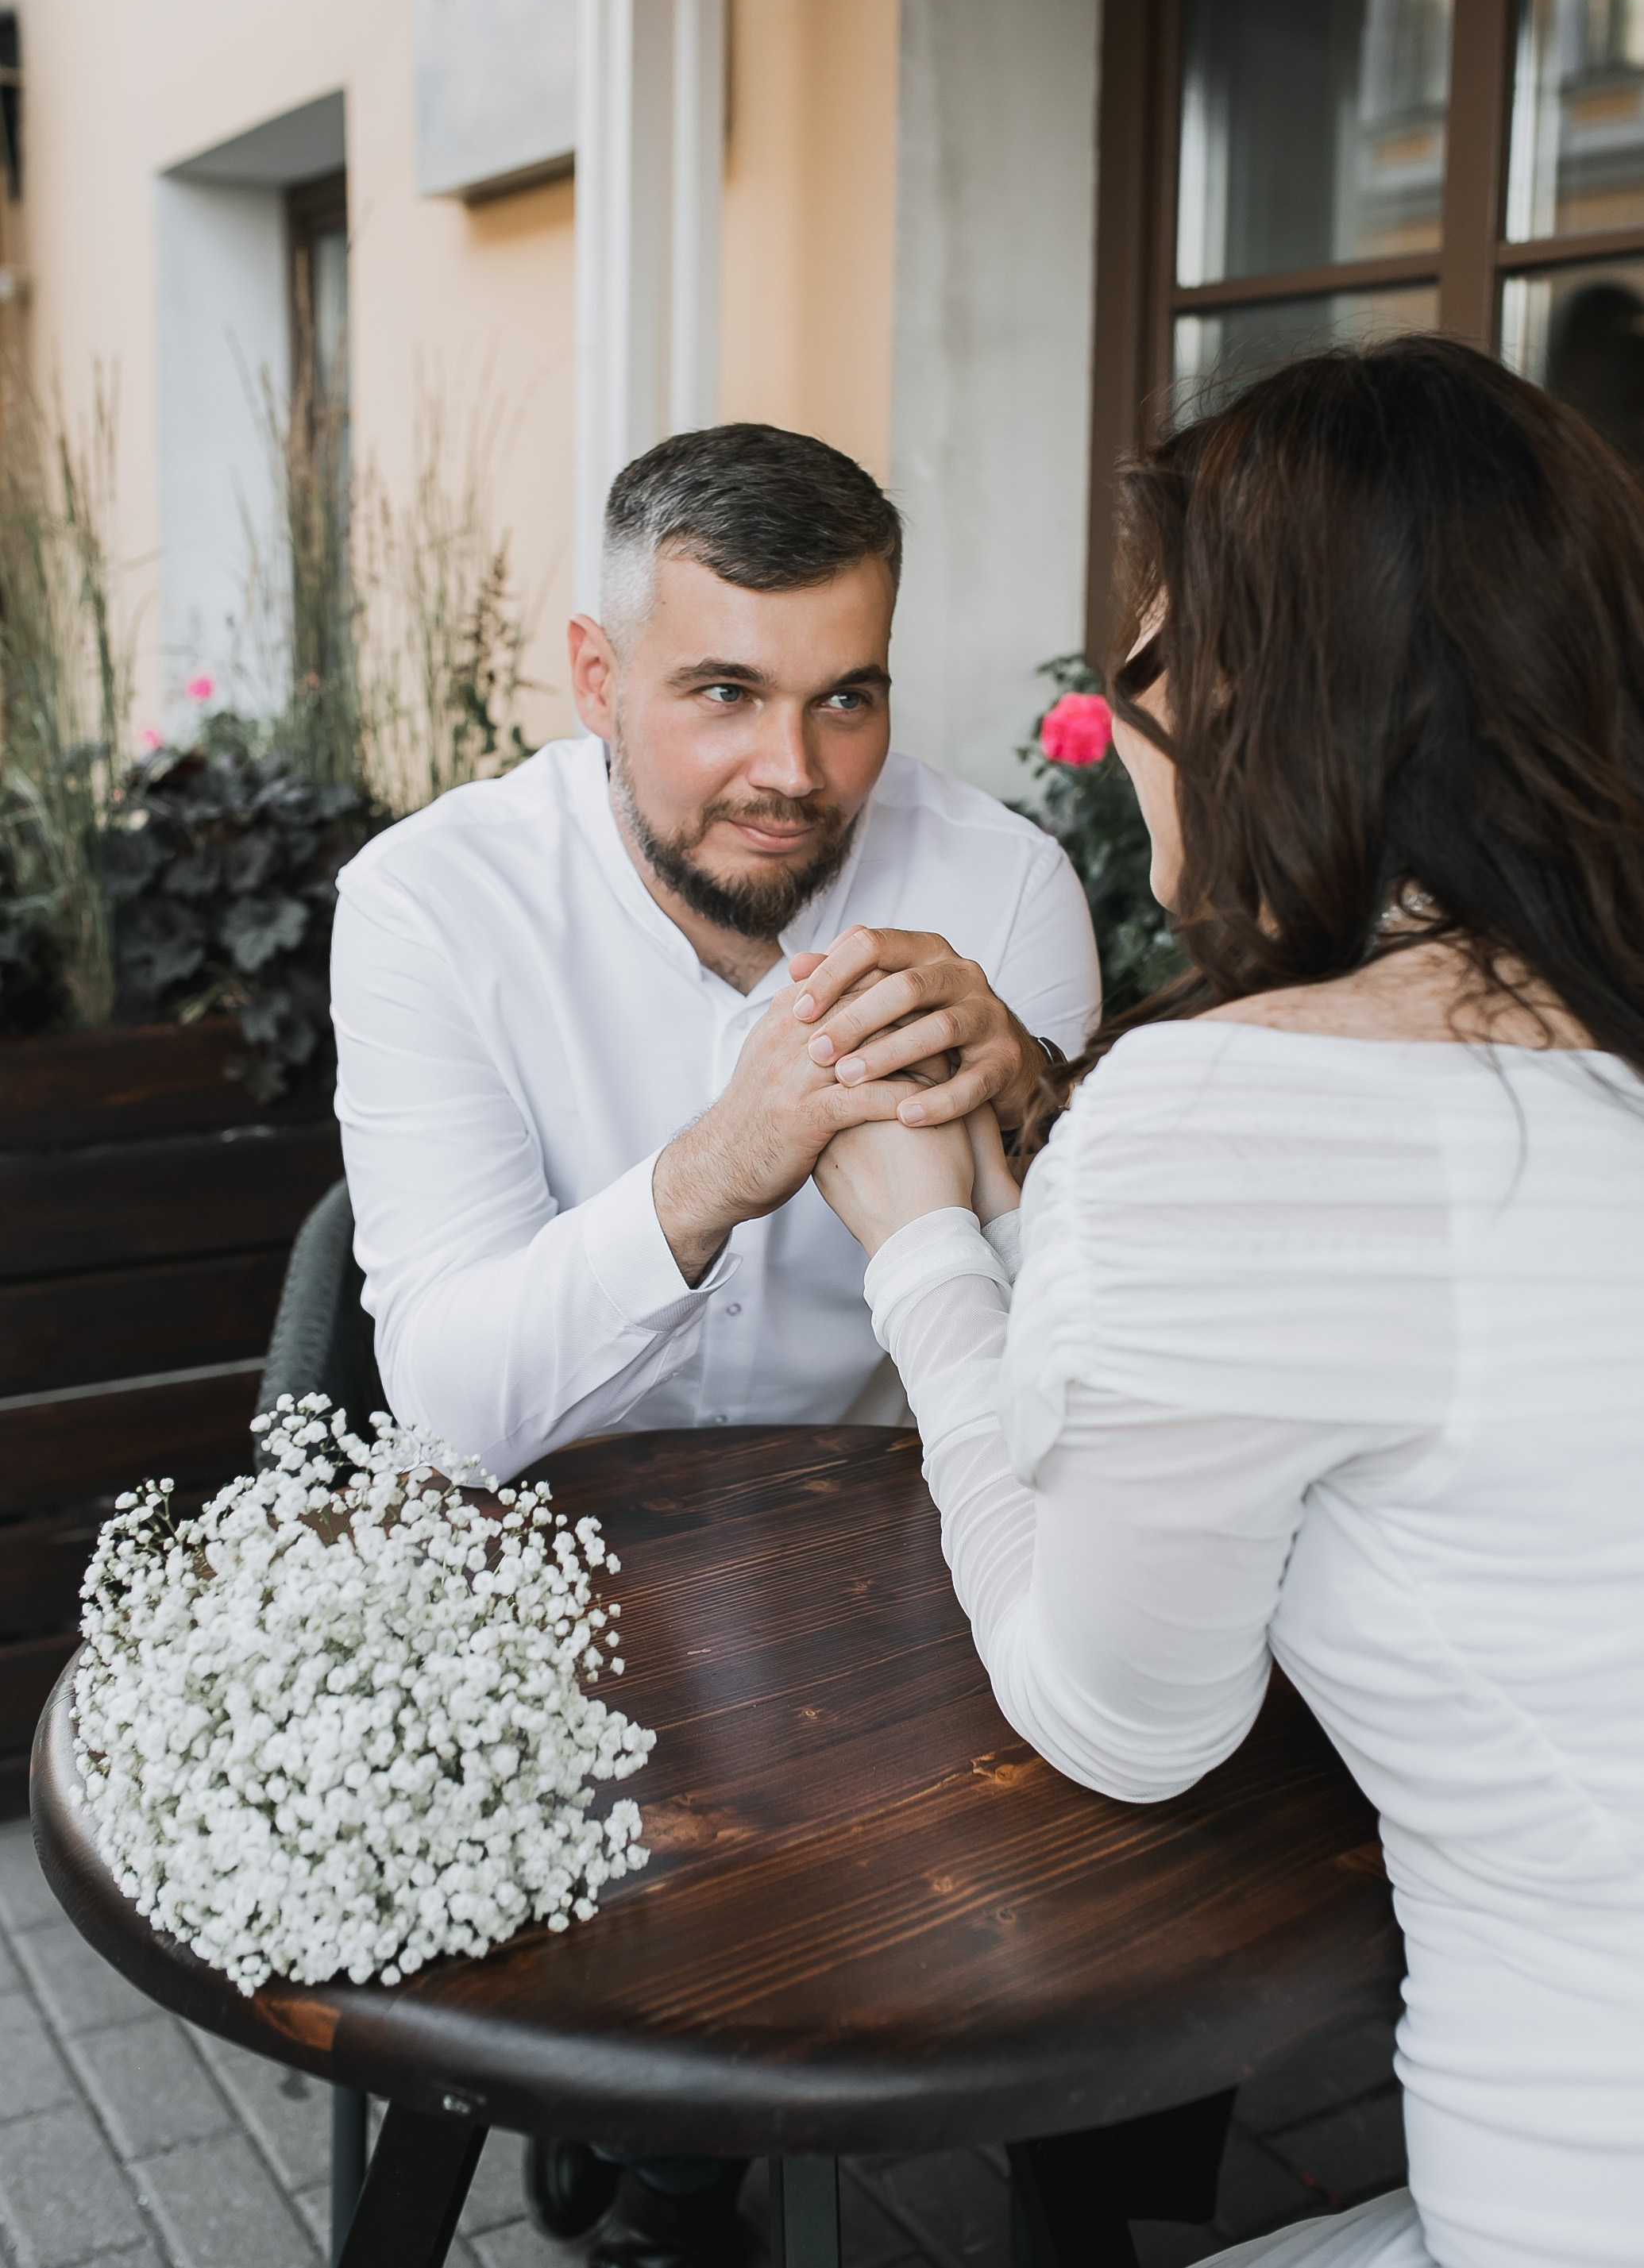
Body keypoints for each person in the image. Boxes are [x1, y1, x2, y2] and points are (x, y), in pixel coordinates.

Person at [811, 337, 1644, 2268]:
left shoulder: (1246, 1101)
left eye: (1150, 653)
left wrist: (920, 1243)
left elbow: (1122, 1719)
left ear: (1274, 699)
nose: (1126, 704)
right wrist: (1048, 1206)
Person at [329, 421, 1104, 2268]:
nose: (798, 771)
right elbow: (444, 1399)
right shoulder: (432, 906)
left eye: (850, 699)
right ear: (595, 675)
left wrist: (1041, 1119)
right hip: (549, 1581)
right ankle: (664, 2166)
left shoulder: (999, 893)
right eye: (726, 694)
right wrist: (712, 1169)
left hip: (911, 1585)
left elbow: (1095, 1359)